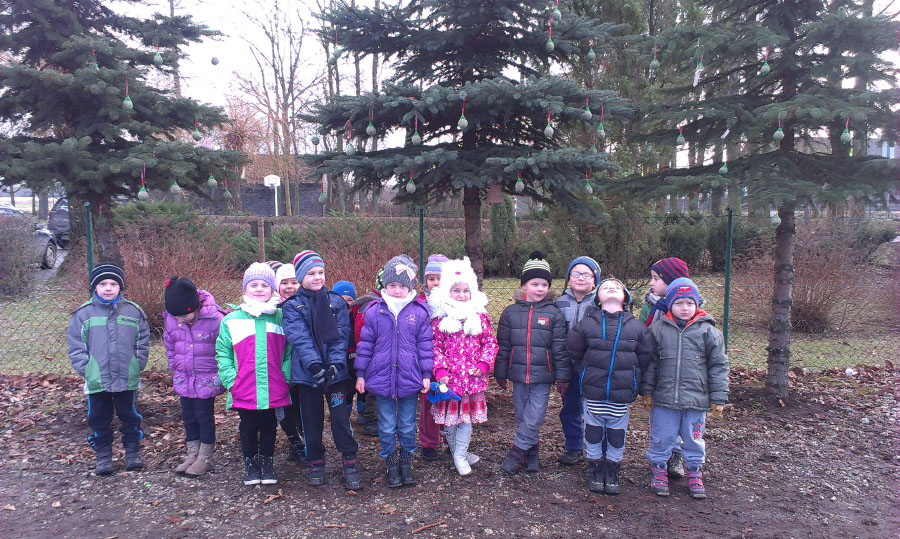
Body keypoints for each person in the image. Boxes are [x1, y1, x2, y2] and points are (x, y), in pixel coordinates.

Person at [642, 278, 729, 499]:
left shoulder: (709, 332)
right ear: (670, 304)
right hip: (664, 398)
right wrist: (647, 391)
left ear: (697, 304)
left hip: (696, 400)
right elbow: (651, 363)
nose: (684, 308)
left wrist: (718, 398)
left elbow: (718, 366)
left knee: (693, 439)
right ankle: (659, 470)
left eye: (690, 303)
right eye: (679, 303)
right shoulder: (658, 329)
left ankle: (694, 472)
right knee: (662, 437)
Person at [282, 251, 360, 490]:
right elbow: (300, 338)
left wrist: (336, 364)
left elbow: (341, 336)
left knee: (340, 419)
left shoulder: (336, 302)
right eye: (311, 273)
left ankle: (350, 461)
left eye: (321, 272)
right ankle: (316, 461)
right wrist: (314, 365)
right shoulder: (292, 306)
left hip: (336, 375)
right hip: (308, 376)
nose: (317, 277)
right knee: (311, 421)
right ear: (300, 277)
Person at [567, 278, 653, 494]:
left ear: (626, 298)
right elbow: (575, 350)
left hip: (621, 394)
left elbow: (645, 357)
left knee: (617, 434)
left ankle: (613, 470)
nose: (612, 288)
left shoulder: (637, 327)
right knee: (593, 432)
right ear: (597, 298)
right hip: (593, 391)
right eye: (605, 287)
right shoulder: (586, 324)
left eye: (617, 287)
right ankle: (595, 469)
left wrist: (636, 381)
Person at [355, 255, 434, 487]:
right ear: (385, 286)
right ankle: (391, 462)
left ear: (410, 287)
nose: (397, 290)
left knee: (408, 425)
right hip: (382, 378)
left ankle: (406, 462)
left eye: (402, 286)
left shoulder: (419, 311)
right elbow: (365, 345)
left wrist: (426, 374)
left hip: (410, 378)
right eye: (392, 285)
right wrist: (361, 374)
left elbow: (425, 346)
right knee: (387, 426)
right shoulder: (375, 311)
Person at [68, 263, 150, 476]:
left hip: (126, 376)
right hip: (97, 378)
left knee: (130, 415)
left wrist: (137, 364)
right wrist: (86, 369)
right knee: (98, 418)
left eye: (113, 284)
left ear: (120, 287)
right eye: (102, 283)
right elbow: (76, 345)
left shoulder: (133, 312)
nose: (108, 288)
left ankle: (133, 452)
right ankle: (103, 456)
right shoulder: (84, 314)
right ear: (95, 287)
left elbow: (142, 341)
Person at [216, 263, 292, 486]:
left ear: (272, 289)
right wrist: (232, 381)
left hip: (273, 385)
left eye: (264, 285)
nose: (259, 289)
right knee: (248, 426)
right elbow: (223, 353)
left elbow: (289, 351)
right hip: (244, 386)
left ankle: (267, 462)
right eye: (254, 285)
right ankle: (250, 463)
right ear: (245, 289)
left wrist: (285, 377)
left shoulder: (281, 318)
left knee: (269, 425)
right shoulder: (232, 320)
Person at [495, 251, 569, 475]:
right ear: (524, 285)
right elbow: (503, 345)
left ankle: (516, 453)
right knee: (522, 415)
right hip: (518, 374)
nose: (540, 289)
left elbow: (560, 349)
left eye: (544, 284)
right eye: (534, 284)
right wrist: (500, 371)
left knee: (535, 416)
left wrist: (563, 377)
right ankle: (532, 452)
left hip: (543, 376)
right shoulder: (510, 313)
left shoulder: (554, 314)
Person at [427, 257, 498, 476]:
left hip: (472, 380)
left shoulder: (480, 318)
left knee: (466, 420)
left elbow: (490, 343)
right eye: (456, 291)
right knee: (450, 421)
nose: (461, 295)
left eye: (466, 291)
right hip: (450, 381)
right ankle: (458, 453)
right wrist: (440, 370)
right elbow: (435, 346)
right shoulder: (440, 319)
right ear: (447, 292)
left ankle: (460, 454)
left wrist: (484, 364)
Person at [163, 276, 226, 477]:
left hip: (207, 379)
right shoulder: (173, 319)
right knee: (188, 416)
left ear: (194, 307)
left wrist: (222, 372)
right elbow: (170, 344)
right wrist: (174, 365)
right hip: (184, 377)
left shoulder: (215, 320)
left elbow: (225, 347)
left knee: (203, 416)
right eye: (176, 317)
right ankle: (193, 453)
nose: (179, 321)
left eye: (183, 316)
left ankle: (205, 457)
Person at [638, 257, 690, 479]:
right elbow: (642, 335)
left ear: (672, 281)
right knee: (660, 419)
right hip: (658, 374)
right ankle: (660, 456)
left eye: (656, 278)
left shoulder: (689, 309)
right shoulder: (650, 307)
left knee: (683, 419)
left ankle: (675, 455)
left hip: (683, 377)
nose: (651, 283)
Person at [554, 256, 601, 465]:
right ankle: (574, 447)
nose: (580, 278)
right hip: (568, 366)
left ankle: (597, 451)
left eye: (586, 275)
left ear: (595, 280)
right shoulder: (560, 303)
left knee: (594, 411)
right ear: (569, 277)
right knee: (570, 409)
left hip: (593, 367)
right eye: (576, 274)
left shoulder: (600, 304)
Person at [272, 263, 306, 464]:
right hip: (279, 369)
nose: (290, 287)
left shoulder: (306, 306)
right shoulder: (272, 309)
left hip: (302, 366)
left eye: (294, 282)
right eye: (284, 283)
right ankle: (294, 441)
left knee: (303, 408)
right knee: (284, 409)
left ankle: (306, 440)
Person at [418, 253, 449, 461]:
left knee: (450, 400)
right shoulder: (421, 303)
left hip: (451, 360)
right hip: (427, 359)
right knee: (429, 402)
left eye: (440, 279)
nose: (436, 283)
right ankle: (429, 442)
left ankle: (451, 439)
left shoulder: (457, 301)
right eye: (431, 279)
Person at [348, 270, 385, 437]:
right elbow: (361, 334)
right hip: (372, 355)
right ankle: (370, 419)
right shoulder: (369, 304)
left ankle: (379, 418)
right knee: (373, 390)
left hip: (385, 354)